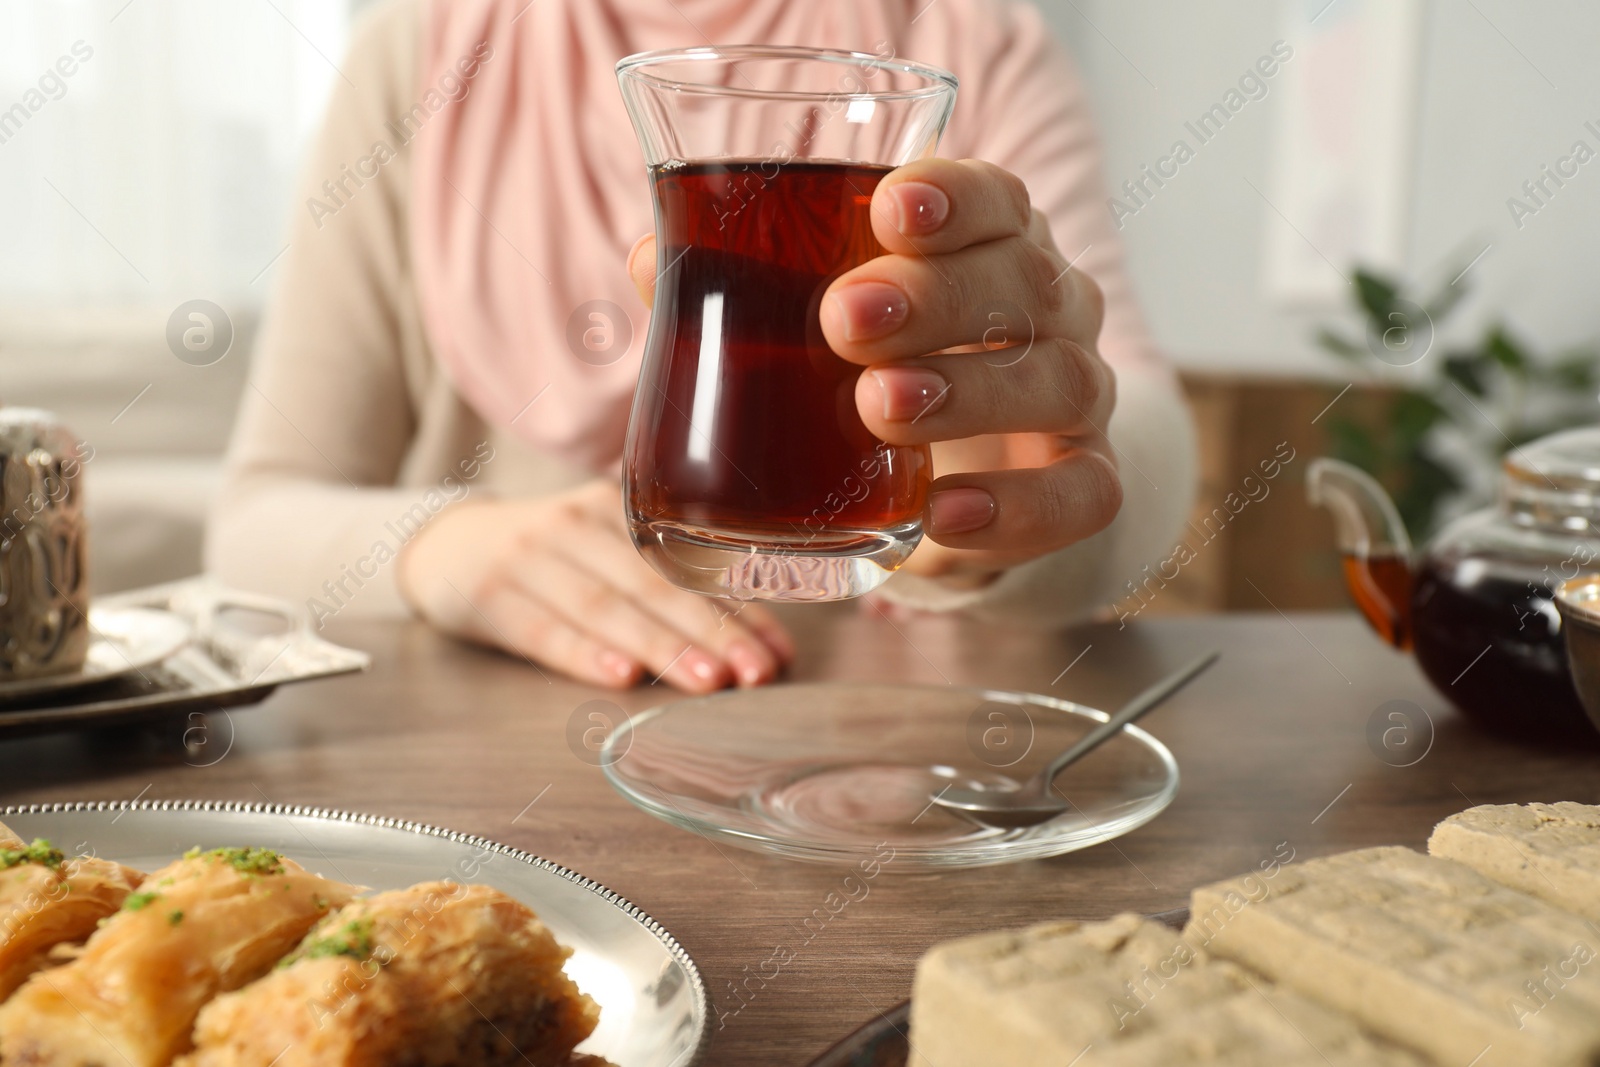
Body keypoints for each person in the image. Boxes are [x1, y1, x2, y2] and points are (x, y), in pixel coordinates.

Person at [204, 0, 1197, 694]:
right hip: (512, 775)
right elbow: (253, 521)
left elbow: (1139, 441)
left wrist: (1025, 474)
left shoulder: (976, 45)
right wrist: (445, 548)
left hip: (891, 773)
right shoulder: (411, 59)